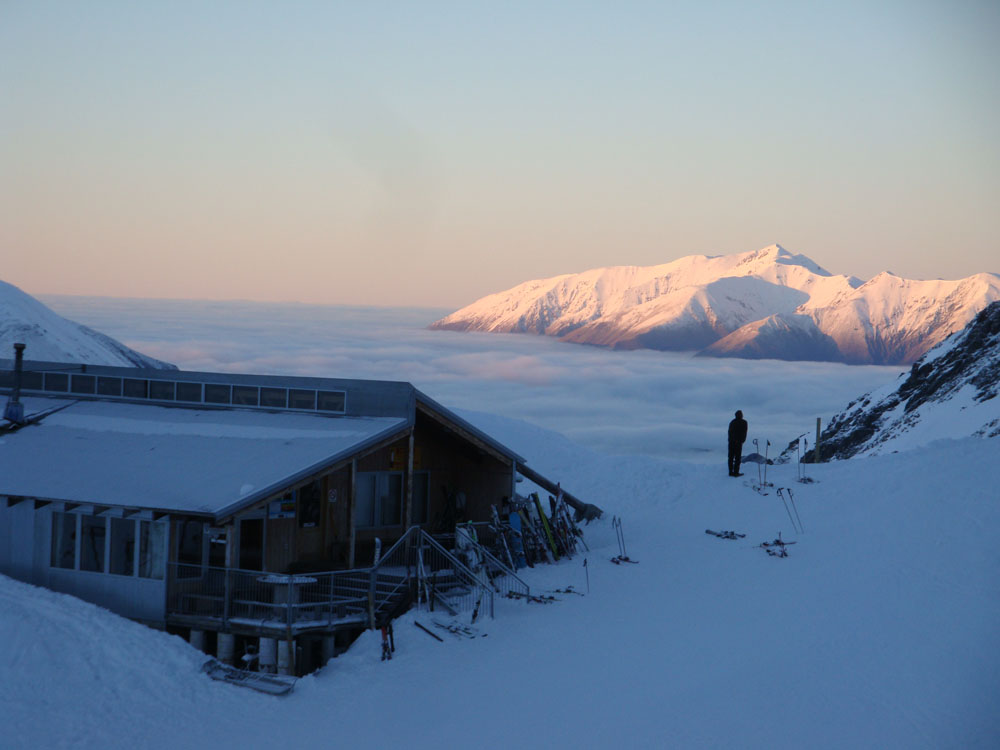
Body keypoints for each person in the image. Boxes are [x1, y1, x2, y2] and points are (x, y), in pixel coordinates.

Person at [728, 410, 748, 476]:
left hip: (731, 443)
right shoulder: (744, 422)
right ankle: (736, 472)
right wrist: (742, 441)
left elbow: (729, 433)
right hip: (738, 443)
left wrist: (730, 440)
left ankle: (731, 472)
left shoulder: (732, 422)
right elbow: (744, 433)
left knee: (731, 457)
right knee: (737, 458)